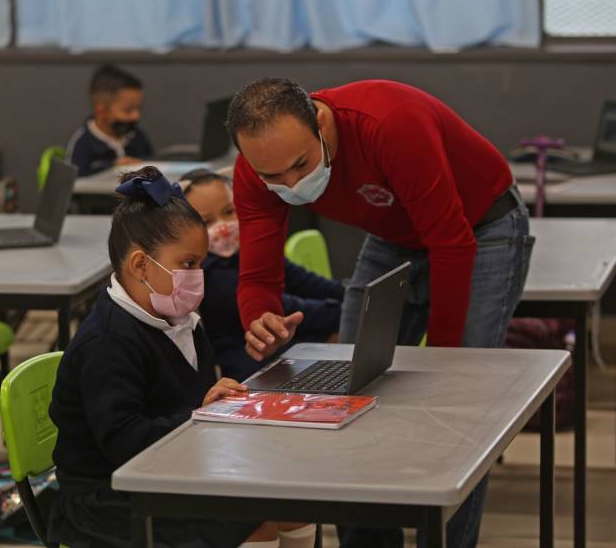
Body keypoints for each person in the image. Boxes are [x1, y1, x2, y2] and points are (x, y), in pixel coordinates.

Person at [225, 78, 534, 548]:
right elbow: (260, 278)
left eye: (301, 164)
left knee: (461, 403)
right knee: (346, 393)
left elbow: (451, 243)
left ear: (322, 123)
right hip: (394, 233)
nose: (289, 183)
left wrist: (448, 364)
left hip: (481, 224)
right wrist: (260, 318)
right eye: (272, 176)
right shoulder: (256, 168)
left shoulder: (389, 125)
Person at [47, 166, 315, 548]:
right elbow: (123, 440)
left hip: (172, 469)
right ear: (140, 265)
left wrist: (216, 403)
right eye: (188, 264)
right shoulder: (107, 342)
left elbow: (192, 401)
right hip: (107, 498)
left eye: (200, 264)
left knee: (294, 503)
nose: (198, 275)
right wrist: (198, 417)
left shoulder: (181, 318)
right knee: (256, 527)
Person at [179, 168, 343, 381]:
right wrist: (351, 308)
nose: (222, 228)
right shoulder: (211, 277)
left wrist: (354, 294)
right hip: (255, 374)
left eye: (229, 212)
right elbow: (294, 311)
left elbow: (311, 284)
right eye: (206, 221)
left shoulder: (247, 253)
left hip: (289, 353)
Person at [66, 64, 153, 176]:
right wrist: (112, 166)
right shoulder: (82, 144)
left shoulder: (137, 137)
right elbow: (75, 179)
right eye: (128, 110)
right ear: (101, 111)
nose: (136, 116)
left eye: (138, 109)